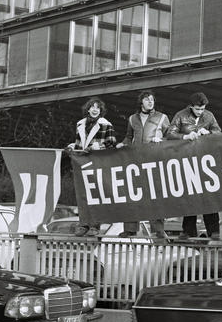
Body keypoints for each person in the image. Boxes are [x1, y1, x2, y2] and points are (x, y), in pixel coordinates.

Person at [166, 91, 221, 240]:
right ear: (191, 107)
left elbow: (218, 133)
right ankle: (188, 230)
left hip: (205, 162)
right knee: (190, 195)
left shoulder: (209, 116)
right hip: (187, 160)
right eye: (197, 109)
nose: (200, 112)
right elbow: (170, 134)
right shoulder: (180, 115)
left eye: (202, 109)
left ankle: (214, 231)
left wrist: (208, 132)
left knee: (209, 194)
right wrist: (185, 136)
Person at [117, 90, 169, 237]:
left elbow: (170, 136)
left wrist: (162, 141)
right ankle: (130, 228)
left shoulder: (162, 117)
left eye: (152, 99)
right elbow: (129, 137)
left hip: (154, 160)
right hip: (135, 161)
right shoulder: (132, 118)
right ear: (141, 102)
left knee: (155, 195)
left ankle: (158, 230)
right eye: (147, 100)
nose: (150, 102)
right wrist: (123, 144)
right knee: (132, 194)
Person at [65, 97, 116, 236]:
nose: (95, 110)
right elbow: (78, 143)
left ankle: (95, 225)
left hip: (97, 162)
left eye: (97, 108)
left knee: (96, 193)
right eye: (92, 107)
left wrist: (97, 146)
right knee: (82, 194)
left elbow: (112, 143)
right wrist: (72, 146)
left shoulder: (106, 124)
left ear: (101, 111)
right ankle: (83, 224)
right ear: (88, 109)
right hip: (82, 162)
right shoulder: (80, 124)